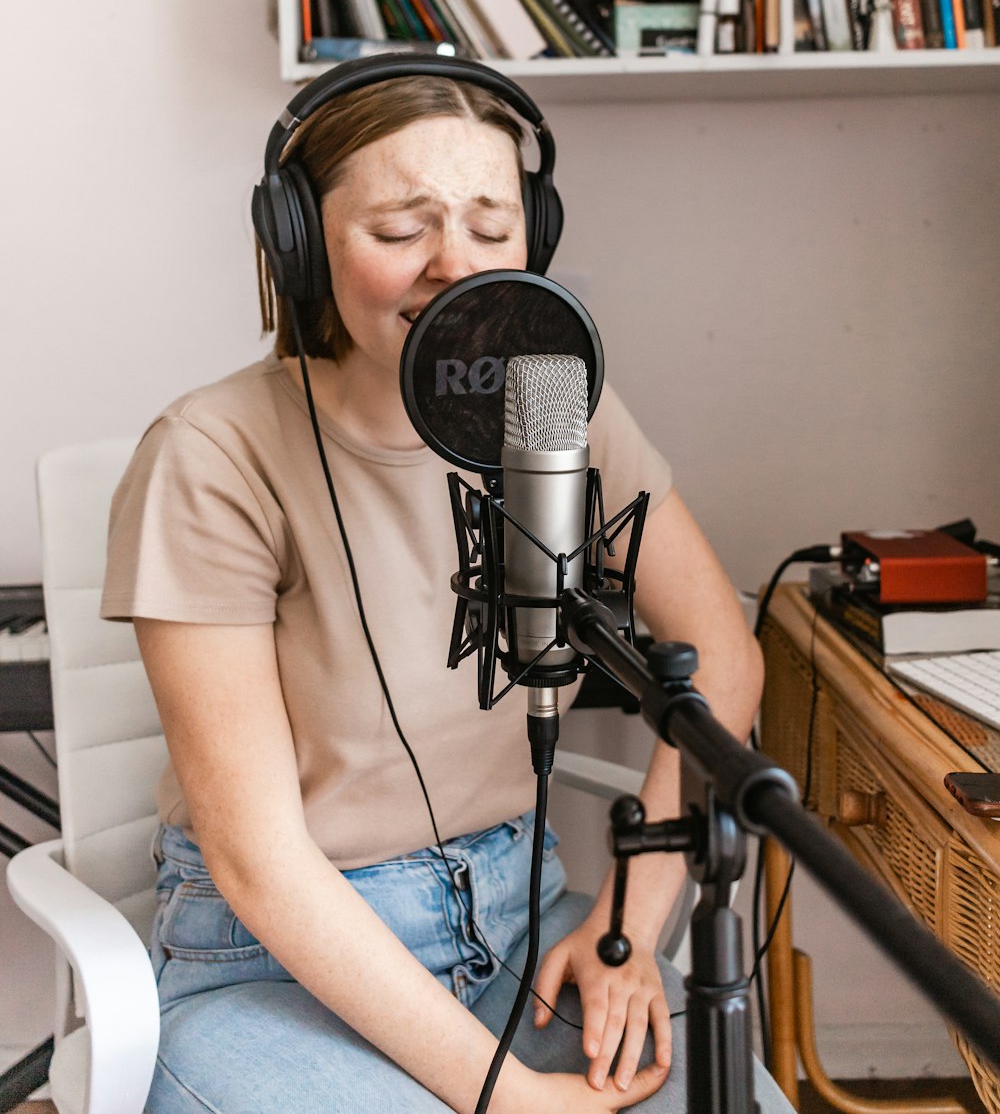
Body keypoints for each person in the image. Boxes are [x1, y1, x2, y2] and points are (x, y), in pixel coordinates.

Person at [101, 61, 789, 1114]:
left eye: (490, 225)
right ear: (297, 245)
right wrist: (502, 1093)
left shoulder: (558, 405)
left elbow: (723, 658)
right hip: (277, 968)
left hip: (527, 917)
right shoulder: (209, 454)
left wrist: (625, 933)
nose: (453, 269)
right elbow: (255, 858)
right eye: (399, 232)